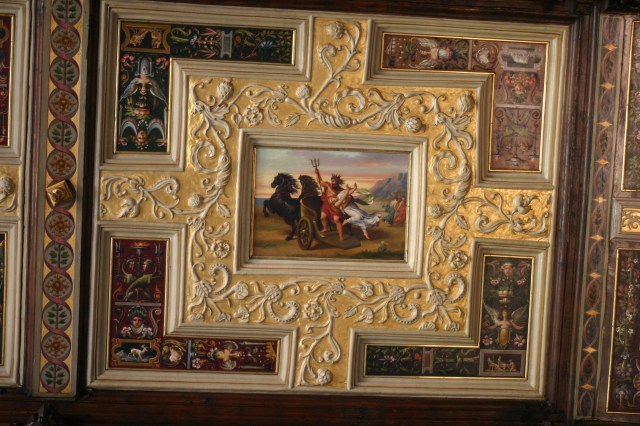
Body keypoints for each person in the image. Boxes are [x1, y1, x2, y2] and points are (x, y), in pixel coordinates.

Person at [314, 166, 347, 240]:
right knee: (322, 217)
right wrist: (317, 173)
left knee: (337, 219)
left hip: (334, 207)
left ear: (337, 182)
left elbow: (344, 197)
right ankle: (325, 228)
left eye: (334, 181)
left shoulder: (341, 190)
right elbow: (320, 181)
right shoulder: (328, 185)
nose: (332, 182)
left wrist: (336, 199)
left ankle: (341, 236)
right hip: (326, 205)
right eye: (332, 181)